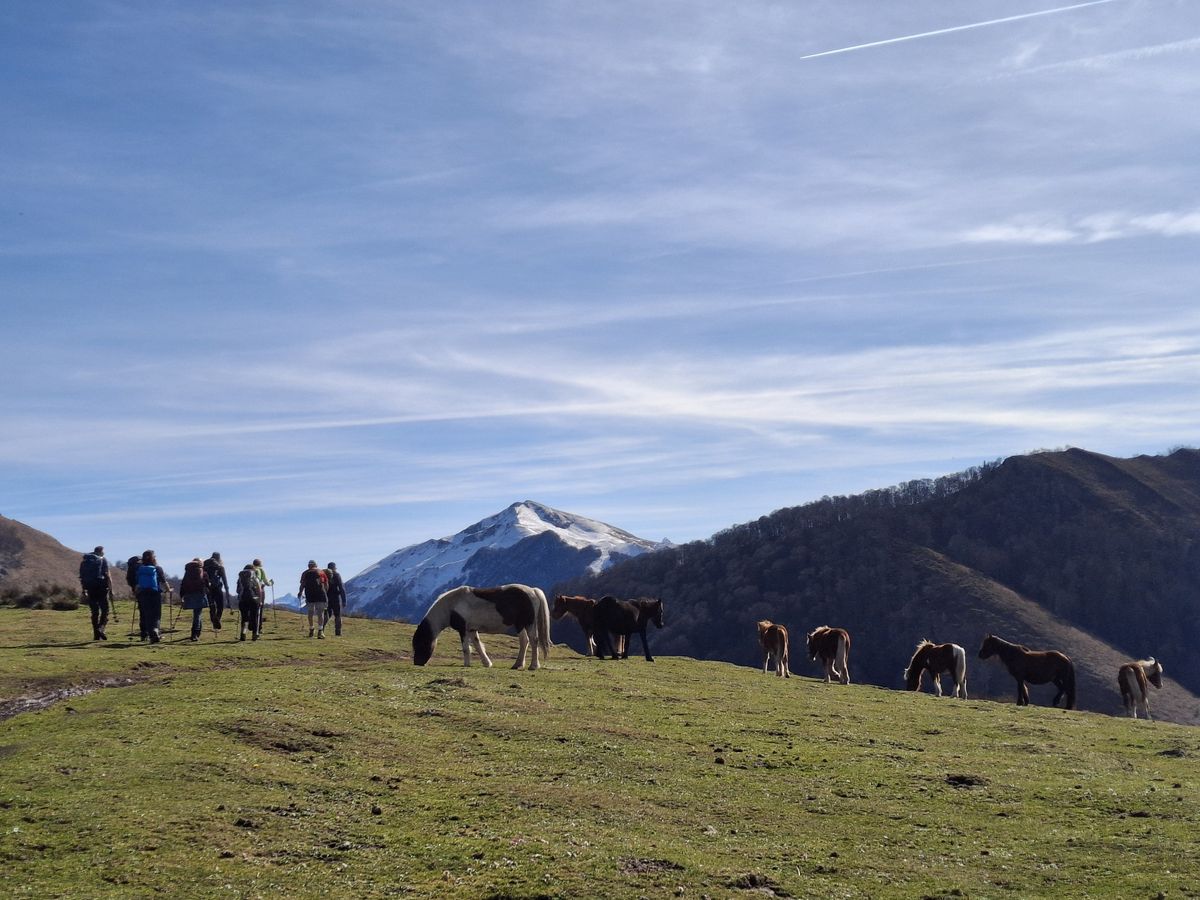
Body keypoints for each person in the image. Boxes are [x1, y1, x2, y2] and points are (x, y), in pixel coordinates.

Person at [134, 550, 170, 643]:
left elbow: (137, 584)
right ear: (153, 558)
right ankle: (155, 632)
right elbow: (163, 581)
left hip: (143, 594)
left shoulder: (140, 569)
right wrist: (168, 590)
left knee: (146, 615)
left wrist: (136, 592)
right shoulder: (157, 568)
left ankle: (147, 634)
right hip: (155, 594)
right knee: (156, 615)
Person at [79, 546, 113, 641]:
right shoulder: (103, 560)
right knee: (105, 610)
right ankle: (100, 628)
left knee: (94, 612)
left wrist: (84, 590)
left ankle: (96, 635)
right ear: (100, 552)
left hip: (90, 589)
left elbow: (82, 577)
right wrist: (111, 589)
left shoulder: (85, 562)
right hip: (102, 588)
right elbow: (107, 575)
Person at [179, 558, 209, 641]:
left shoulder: (187, 572)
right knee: (198, 614)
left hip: (189, 594)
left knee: (197, 614)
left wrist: (182, 596)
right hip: (200, 594)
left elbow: (183, 583)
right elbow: (207, 585)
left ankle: (197, 632)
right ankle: (195, 633)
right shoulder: (203, 572)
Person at [298, 560, 328, 639]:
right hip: (320, 594)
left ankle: (311, 628)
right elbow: (326, 584)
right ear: (316, 565)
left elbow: (302, 584)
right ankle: (320, 631)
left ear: (308, 566)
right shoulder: (321, 572)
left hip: (309, 594)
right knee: (320, 613)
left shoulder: (305, 573)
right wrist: (325, 592)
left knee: (310, 612)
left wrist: (300, 592)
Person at [202, 552, 230, 631]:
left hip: (208, 588)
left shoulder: (205, 565)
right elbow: (224, 580)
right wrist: (227, 589)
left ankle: (214, 621)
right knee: (220, 606)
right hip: (217, 588)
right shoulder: (220, 567)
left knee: (212, 607)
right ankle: (216, 621)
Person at [237, 564, 264, 641]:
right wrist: (260, 600)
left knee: (244, 618)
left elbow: (238, 590)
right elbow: (259, 590)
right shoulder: (255, 577)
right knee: (254, 617)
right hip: (254, 599)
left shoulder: (240, 578)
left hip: (243, 599)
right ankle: (254, 635)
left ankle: (243, 634)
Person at [323, 562, 347, 637]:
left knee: (326, 614)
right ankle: (338, 632)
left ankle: (321, 629)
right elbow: (341, 588)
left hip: (326, 597)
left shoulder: (323, 574)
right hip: (335, 597)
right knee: (337, 615)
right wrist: (344, 600)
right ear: (334, 567)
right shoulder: (337, 575)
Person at [252, 558, 273, 634]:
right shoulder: (261, 570)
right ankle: (259, 628)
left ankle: (251, 625)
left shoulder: (251, 570)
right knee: (259, 609)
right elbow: (266, 582)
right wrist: (271, 583)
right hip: (259, 591)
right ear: (260, 564)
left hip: (250, 592)